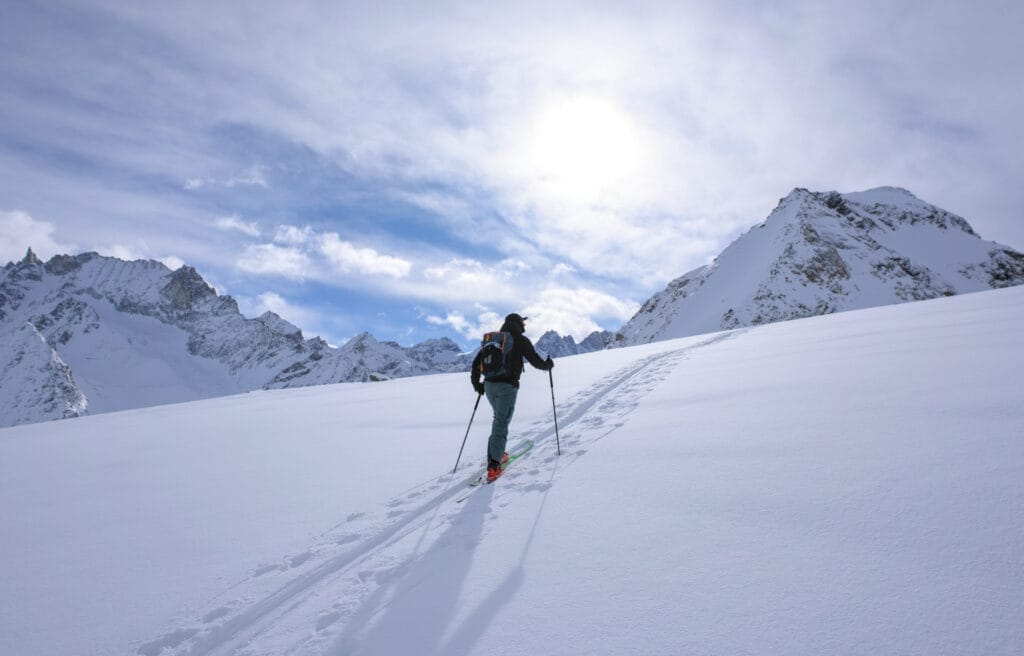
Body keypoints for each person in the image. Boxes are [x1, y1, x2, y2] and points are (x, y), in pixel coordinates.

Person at [471, 313, 554, 482]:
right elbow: (535, 361)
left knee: (499, 420)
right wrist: (548, 365)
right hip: (507, 387)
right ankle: (494, 465)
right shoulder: (519, 340)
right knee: (501, 422)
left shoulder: (494, 340)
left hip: (489, 386)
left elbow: (475, 365)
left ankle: (497, 454)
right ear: (518, 323)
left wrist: (477, 385)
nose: (525, 325)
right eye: (523, 322)